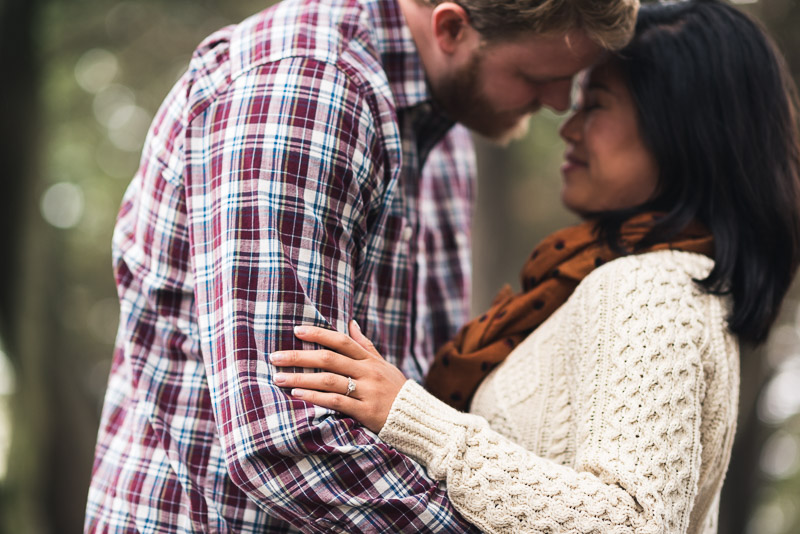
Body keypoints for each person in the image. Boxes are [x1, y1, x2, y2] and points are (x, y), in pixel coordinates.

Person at [84, 0, 641, 532]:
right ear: (450, 28)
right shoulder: (305, 92)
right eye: (535, 75)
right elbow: (282, 440)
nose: (559, 101)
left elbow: (426, 398)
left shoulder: (443, 137)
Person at [270, 1, 800, 532]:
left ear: (685, 133)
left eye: (595, 104)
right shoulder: (622, 276)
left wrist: (413, 417)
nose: (567, 125)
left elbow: (633, 522)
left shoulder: (650, 287)